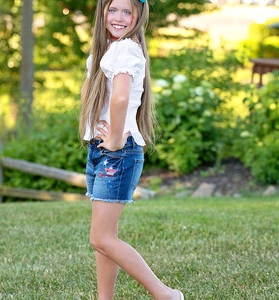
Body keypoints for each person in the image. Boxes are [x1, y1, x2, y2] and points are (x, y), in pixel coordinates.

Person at [79, 0, 184, 299]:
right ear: (102, 11)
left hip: (117, 152)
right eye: (113, 9)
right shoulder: (110, 50)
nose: (119, 17)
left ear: (139, 16)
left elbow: (121, 99)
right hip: (103, 151)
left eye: (128, 11)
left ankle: (165, 294)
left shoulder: (125, 49)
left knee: (100, 237)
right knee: (105, 238)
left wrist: (112, 138)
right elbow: (94, 95)